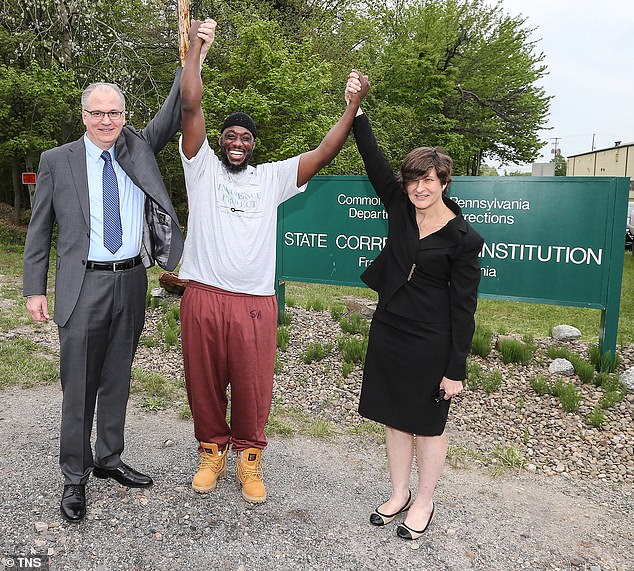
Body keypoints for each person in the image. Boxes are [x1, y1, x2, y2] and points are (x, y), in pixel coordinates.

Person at [22, 25, 216, 523]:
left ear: (125, 117)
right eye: (97, 113)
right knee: (79, 385)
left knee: (117, 379)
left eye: (115, 113)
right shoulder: (56, 161)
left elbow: (176, 106)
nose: (106, 120)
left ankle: (108, 458)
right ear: (83, 116)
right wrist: (33, 289)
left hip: (132, 281)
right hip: (81, 284)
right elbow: (39, 230)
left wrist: (195, 51)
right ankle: (74, 476)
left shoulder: (138, 148)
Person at [178, 19, 369, 503]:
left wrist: (353, 105)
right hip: (204, 295)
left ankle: (248, 459)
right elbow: (190, 103)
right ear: (220, 140)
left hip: (255, 304)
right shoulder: (200, 169)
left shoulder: (272, 179)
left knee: (252, 386)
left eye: (245, 136)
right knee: (202, 384)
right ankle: (210, 451)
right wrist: (198, 49)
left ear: (254, 144)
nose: (236, 141)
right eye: (230, 135)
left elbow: (325, 152)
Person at [347, 76, 484, 540]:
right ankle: (399, 492)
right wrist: (357, 107)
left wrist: (456, 369)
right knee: (393, 415)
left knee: (427, 424)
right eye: (412, 181)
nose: (417, 189)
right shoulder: (401, 209)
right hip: (390, 329)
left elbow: (464, 309)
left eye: (427, 181)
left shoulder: (464, 239)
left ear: (443, 182)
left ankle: (424, 500)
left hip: (432, 339)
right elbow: (373, 162)